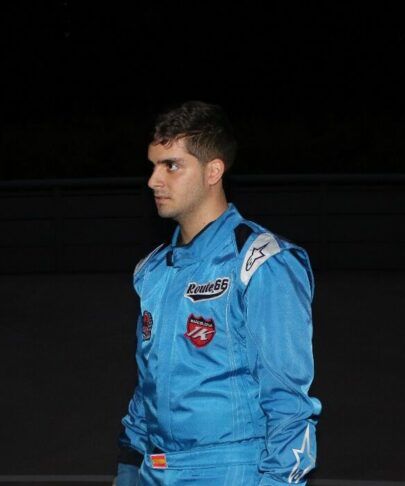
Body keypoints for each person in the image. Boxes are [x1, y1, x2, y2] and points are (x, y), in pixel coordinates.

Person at [115, 101, 321, 485]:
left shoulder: (261, 262)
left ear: (213, 171)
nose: (154, 181)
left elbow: (289, 405)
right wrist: (130, 463)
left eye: (171, 166)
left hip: (232, 471)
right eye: (153, 166)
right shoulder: (153, 270)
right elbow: (148, 384)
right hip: (155, 469)